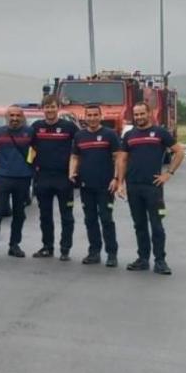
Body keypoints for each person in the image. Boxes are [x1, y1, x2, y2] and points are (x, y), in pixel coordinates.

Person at [116, 102, 185, 275]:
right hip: (133, 186)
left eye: (142, 113)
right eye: (136, 114)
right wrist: (120, 183)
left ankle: (160, 261)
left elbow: (179, 152)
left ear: (149, 113)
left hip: (153, 187)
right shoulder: (129, 135)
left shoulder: (160, 133)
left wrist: (168, 173)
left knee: (156, 225)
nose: (139, 117)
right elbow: (122, 160)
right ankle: (143, 259)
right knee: (139, 225)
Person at [69, 104, 121, 267]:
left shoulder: (110, 134)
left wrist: (116, 178)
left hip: (106, 186)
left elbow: (118, 158)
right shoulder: (79, 136)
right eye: (89, 115)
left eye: (95, 115)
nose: (92, 118)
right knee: (90, 219)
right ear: (85, 117)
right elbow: (75, 157)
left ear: (100, 117)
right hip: (86, 185)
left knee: (106, 219)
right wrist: (72, 172)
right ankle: (94, 252)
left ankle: (112, 254)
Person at [30, 95, 80, 261]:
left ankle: (65, 249)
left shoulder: (69, 127)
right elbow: (28, 148)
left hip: (63, 178)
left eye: (52, 106)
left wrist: (76, 171)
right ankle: (47, 247)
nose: (50, 110)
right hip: (43, 177)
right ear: (42, 109)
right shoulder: (36, 127)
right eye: (47, 107)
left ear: (58, 108)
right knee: (45, 215)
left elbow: (80, 147)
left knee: (66, 216)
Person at [0, 105, 35, 258]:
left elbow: (40, 150)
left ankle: (14, 245)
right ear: (7, 117)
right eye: (11, 115)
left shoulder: (30, 132)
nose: (14, 118)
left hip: (23, 178)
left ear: (22, 117)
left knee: (19, 214)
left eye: (17, 116)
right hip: (3, 178)